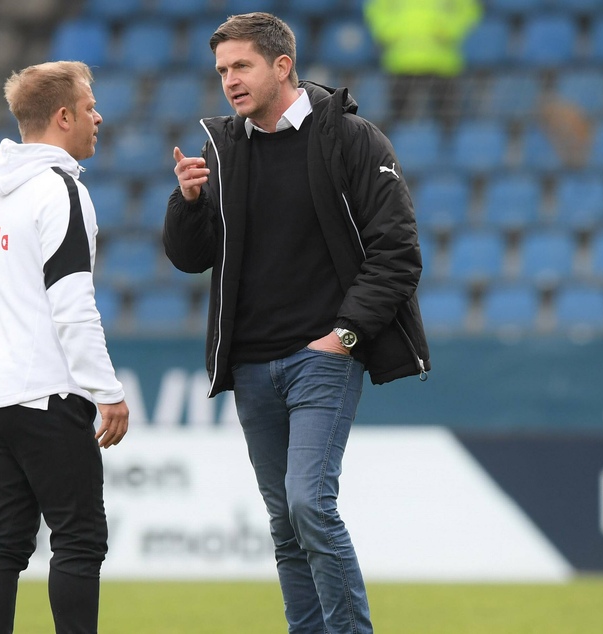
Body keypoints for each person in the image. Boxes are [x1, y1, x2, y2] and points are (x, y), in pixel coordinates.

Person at [163, 13, 429, 634]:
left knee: (310, 505)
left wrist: (346, 336)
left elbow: (397, 252)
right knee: (286, 525)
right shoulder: (221, 147)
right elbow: (189, 258)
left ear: (283, 66)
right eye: (223, 70)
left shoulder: (355, 140)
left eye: (241, 66)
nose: (229, 80)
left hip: (323, 357)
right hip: (252, 365)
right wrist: (188, 202)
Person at [0, 60, 129, 634]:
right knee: (80, 540)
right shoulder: (60, 190)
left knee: (4, 542)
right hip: (46, 392)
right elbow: (73, 305)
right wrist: (106, 390)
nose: (97, 116)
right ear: (63, 116)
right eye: (88, 107)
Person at [364, 0, 481, 126]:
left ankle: (448, 144)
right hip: (401, 63)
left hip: (442, 64)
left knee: (448, 122)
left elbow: (470, 10)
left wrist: (450, 30)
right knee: (398, 122)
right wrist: (388, 31)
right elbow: (374, 9)